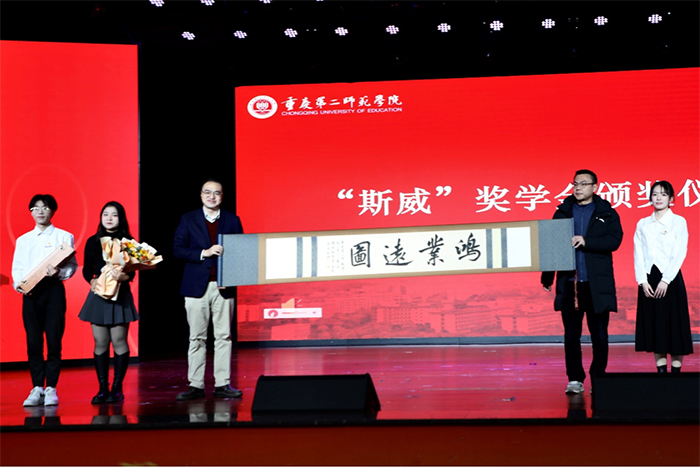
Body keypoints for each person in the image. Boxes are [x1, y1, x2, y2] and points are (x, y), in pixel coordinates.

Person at [541, 170, 623, 394]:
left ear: (595, 187)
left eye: (584, 184)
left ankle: (598, 377)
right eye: (575, 183)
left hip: (597, 284)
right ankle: (575, 379)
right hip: (570, 283)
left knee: (600, 335)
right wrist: (547, 276)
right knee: (571, 335)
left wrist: (587, 241)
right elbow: (551, 245)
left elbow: (614, 240)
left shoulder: (606, 213)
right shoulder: (563, 212)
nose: (578, 187)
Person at [173, 179, 244, 401]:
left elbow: (241, 252)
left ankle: (223, 383)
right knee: (197, 337)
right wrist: (204, 252)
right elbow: (178, 249)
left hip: (223, 287)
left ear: (222, 196)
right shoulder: (189, 219)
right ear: (201, 195)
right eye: (207, 192)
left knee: (224, 336)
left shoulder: (232, 220)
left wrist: (230, 277)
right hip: (196, 288)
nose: (211, 196)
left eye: (216, 193)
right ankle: (195, 384)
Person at [11, 194, 78, 407]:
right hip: (31, 294)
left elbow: (72, 266)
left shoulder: (64, 237)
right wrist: (21, 286)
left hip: (53, 291)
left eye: (45, 207)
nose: (40, 211)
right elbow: (17, 268)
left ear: (52, 211)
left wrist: (59, 272)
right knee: (33, 341)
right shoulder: (23, 240)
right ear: (31, 211)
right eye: (36, 208)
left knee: (54, 340)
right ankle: (37, 386)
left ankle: (52, 388)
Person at [78, 201, 139, 403]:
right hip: (99, 296)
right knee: (100, 342)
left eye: (114, 215)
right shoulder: (92, 241)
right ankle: (103, 388)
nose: (109, 218)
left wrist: (124, 277)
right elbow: (87, 269)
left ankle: (117, 389)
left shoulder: (129, 242)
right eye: (106, 214)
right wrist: (92, 280)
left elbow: (133, 272)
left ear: (121, 218)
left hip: (120, 296)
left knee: (119, 341)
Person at [634, 180, 693, 372]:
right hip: (649, 280)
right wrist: (642, 281)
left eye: (663, 194)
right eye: (655, 194)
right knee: (655, 325)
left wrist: (666, 280)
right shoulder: (643, 223)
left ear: (671, 198)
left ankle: (676, 372)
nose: (658, 198)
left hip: (671, 278)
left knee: (674, 324)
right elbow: (638, 254)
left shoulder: (678, 221)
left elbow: (679, 252)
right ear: (650, 198)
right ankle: (660, 372)